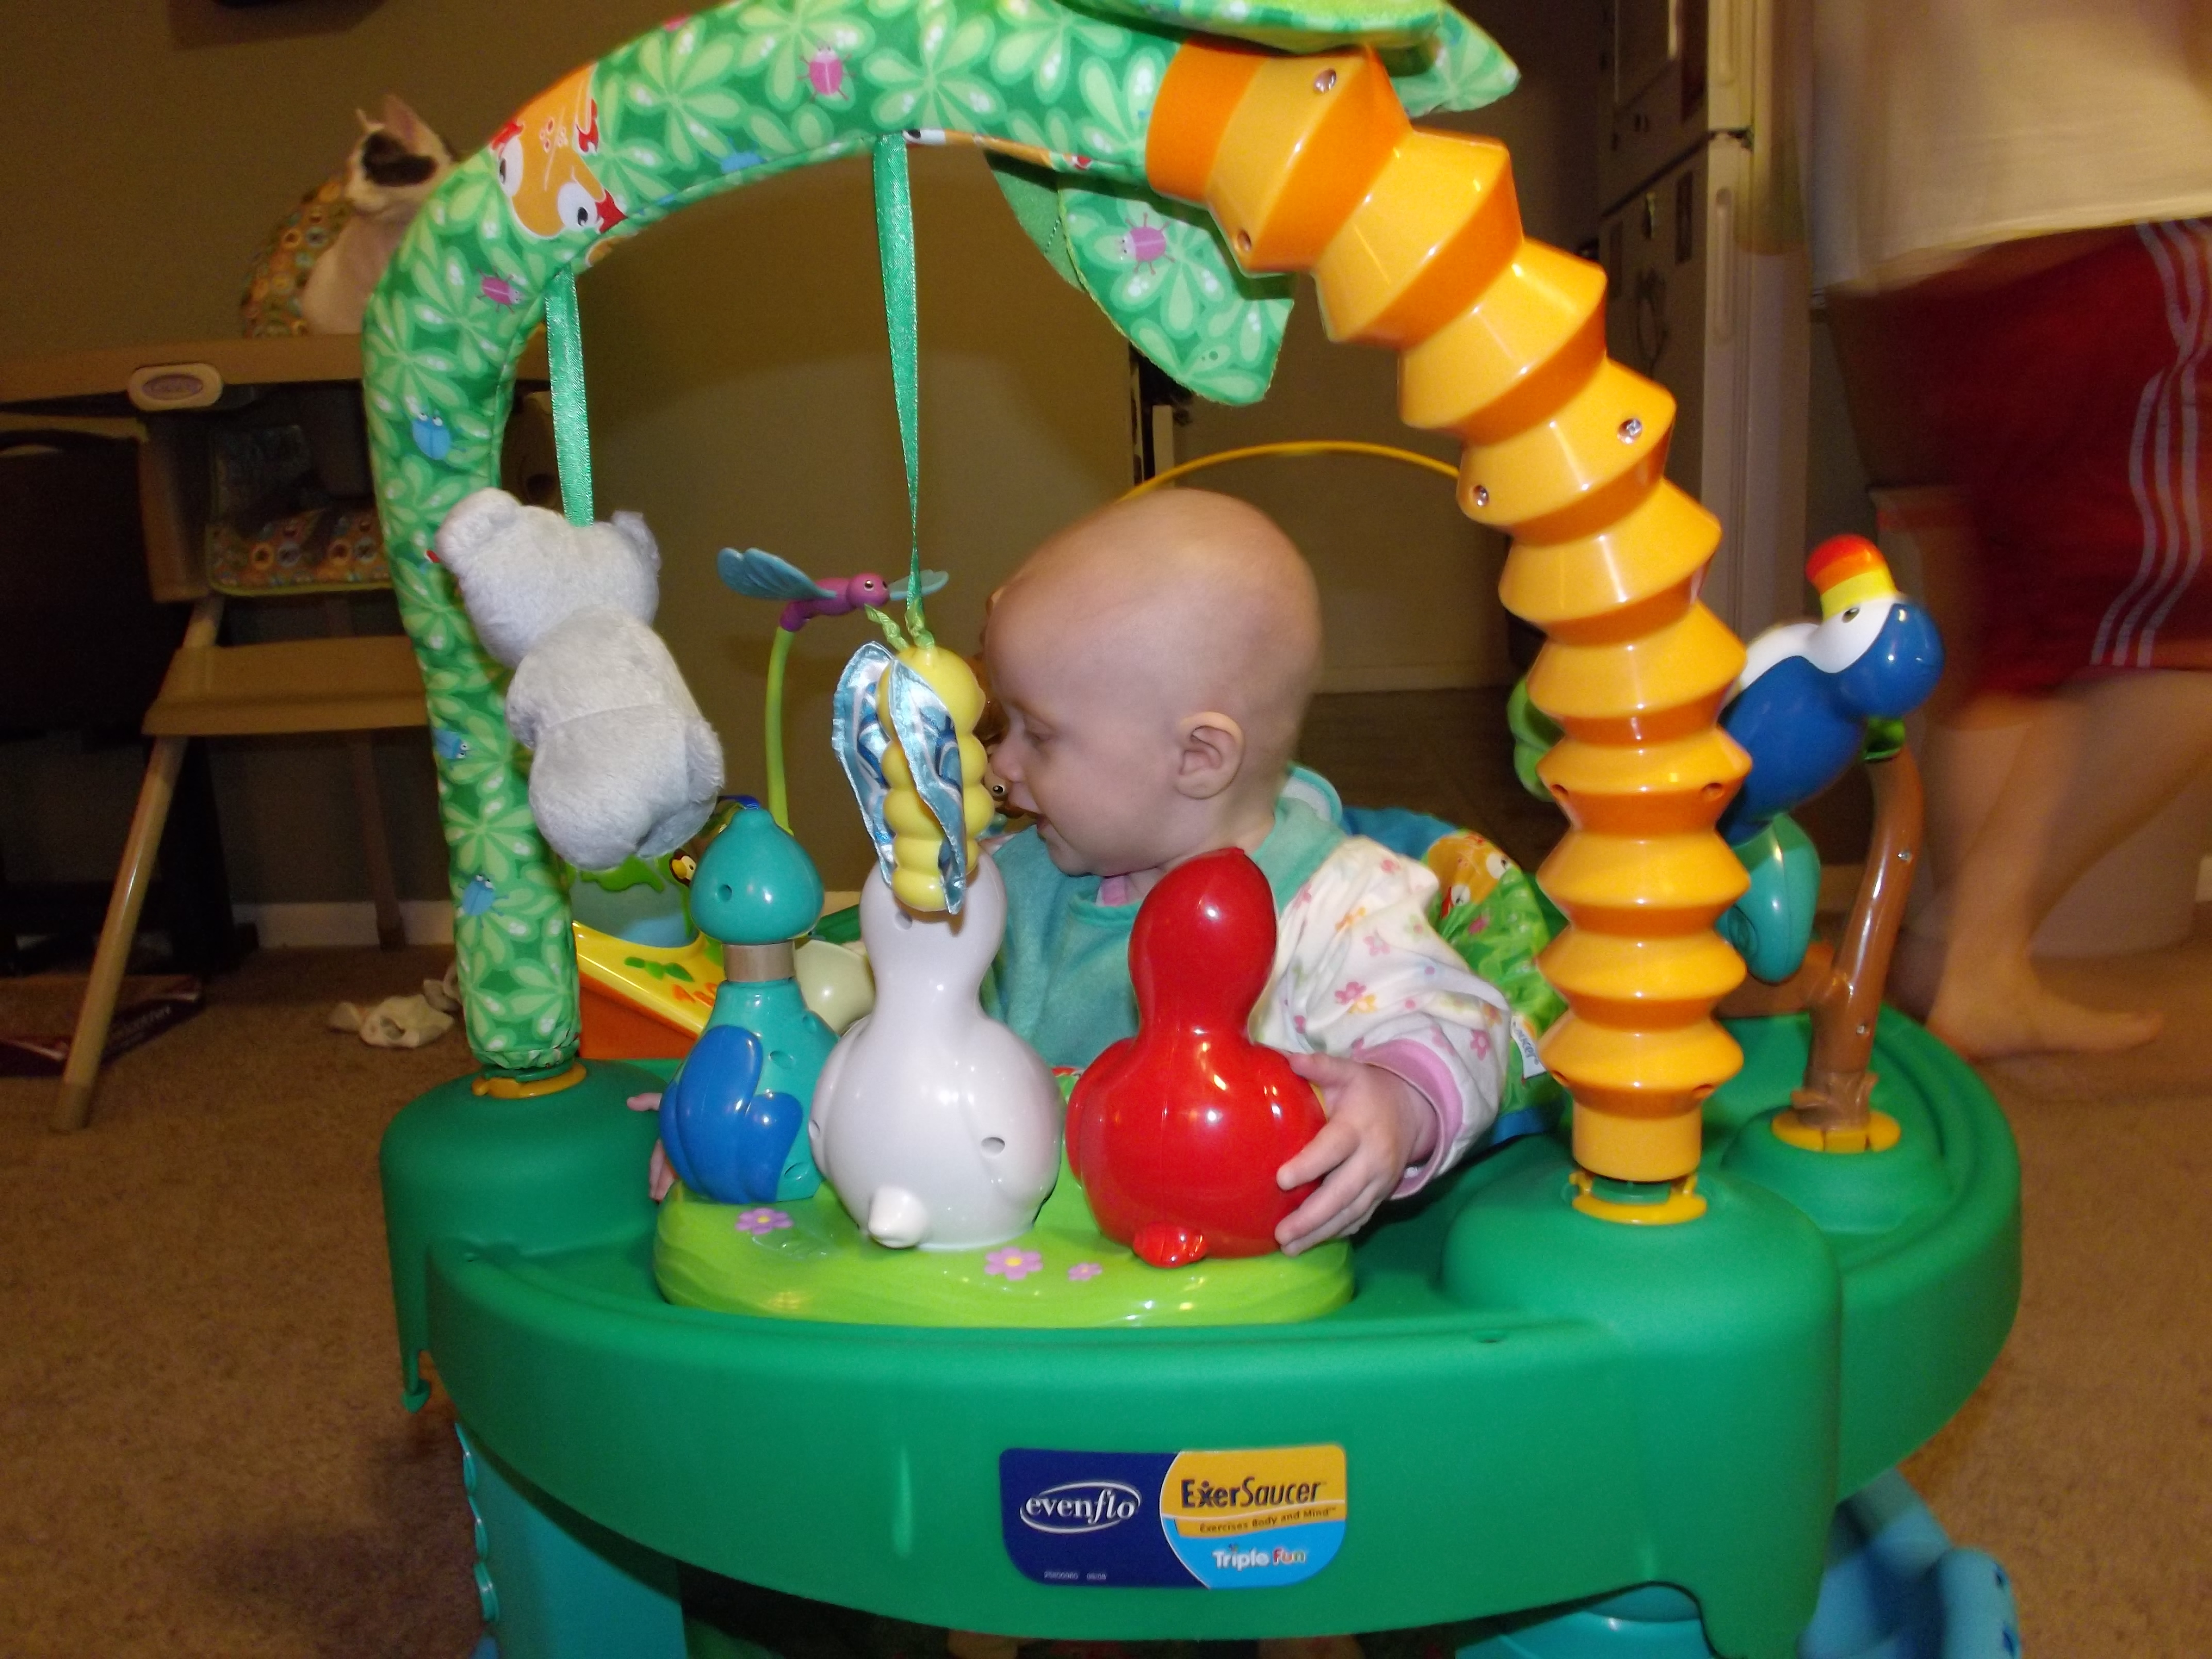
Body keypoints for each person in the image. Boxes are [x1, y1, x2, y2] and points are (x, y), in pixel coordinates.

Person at [1814, 0, 2212, 1056]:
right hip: (2113, 198)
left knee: (2018, 642)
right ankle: (1972, 943)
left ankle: (1964, 960)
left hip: (1940, 245)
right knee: (2180, 631)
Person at [981, 488, 1511, 1254]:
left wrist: (1399, 1102)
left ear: (1197, 758)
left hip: (1240, 1305)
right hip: (1030, 1284)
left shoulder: (1337, 904)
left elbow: (1465, 1023)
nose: (1001, 766)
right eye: (1005, 727)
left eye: (1039, 735)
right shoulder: (1012, 883)